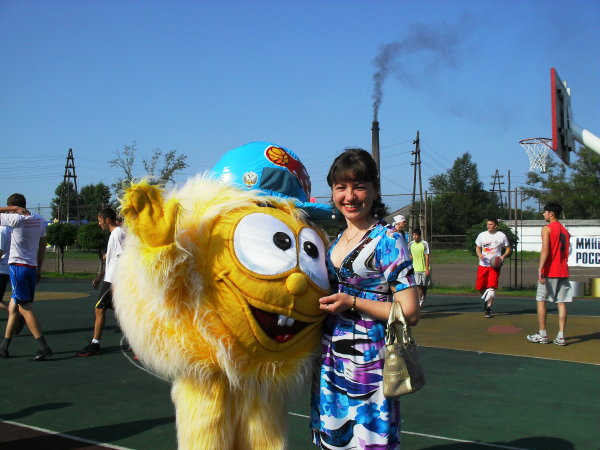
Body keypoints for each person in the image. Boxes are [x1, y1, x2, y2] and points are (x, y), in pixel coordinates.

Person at [310, 148, 419, 449]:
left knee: (367, 437)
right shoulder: (335, 241)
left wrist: (352, 302)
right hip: (330, 354)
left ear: (375, 189)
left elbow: (410, 311)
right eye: (341, 187)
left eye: (359, 186)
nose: (350, 196)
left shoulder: (388, 239)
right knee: (335, 435)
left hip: (368, 357)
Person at [0, 194, 52, 360]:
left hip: (18, 268)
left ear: (13, 208)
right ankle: (4, 348)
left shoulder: (15, 219)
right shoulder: (39, 220)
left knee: (24, 309)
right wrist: (39, 269)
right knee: (14, 308)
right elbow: (42, 246)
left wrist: (12, 209)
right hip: (31, 268)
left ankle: (43, 347)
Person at [77, 207, 125, 356]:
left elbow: (123, 259)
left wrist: (117, 282)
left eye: (100, 221)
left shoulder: (117, 234)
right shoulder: (115, 234)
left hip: (113, 280)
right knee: (122, 312)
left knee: (99, 308)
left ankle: (95, 344)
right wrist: (100, 276)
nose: (99, 224)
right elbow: (112, 260)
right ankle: (137, 342)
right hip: (110, 278)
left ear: (107, 220)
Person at [527, 202, 572, 346]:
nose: (543, 214)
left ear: (551, 214)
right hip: (563, 270)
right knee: (561, 302)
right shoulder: (565, 231)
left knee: (541, 300)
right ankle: (561, 336)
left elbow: (545, 249)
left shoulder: (547, 228)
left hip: (550, 270)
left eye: (545, 212)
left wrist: (540, 269)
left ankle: (543, 335)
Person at [475, 218, 510, 318]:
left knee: (492, 287)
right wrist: (479, 254)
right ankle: (486, 301)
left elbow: (508, 248)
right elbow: (478, 247)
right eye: (488, 224)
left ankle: (488, 309)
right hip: (483, 264)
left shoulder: (501, 235)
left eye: (491, 224)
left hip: (494, 266)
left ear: (496, 225)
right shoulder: (482, 235)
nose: (488, 226)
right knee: (480, 287)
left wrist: (503, 256)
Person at [409, 228, 431, 307]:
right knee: (418, 285)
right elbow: (410, 255)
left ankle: (423, 297)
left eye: (415, 235)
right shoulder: (411, 244)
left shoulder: (424, 243)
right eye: (413, 235)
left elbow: (427, 256)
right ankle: (419, 300)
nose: (414, 236)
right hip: (416, 268)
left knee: (424, 285)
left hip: (424, 269)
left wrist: (427, 268)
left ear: (419, 235)